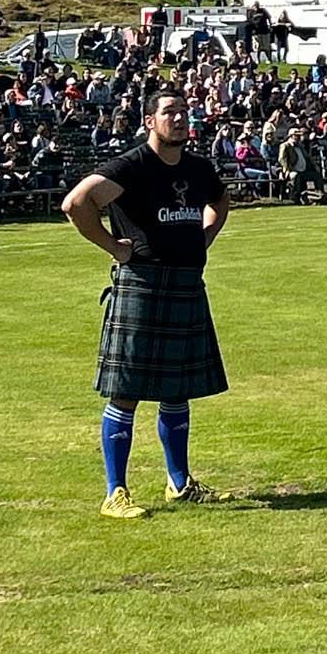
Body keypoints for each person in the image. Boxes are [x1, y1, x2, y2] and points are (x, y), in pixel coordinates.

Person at [60, 83, 231, 518]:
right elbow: (76, 203)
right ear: (150, 121)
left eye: (184, 111)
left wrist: (205, 238)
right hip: (142, 283)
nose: (180, 118)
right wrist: (112, 246)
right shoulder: (132, 166)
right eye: (170, 111)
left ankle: (180, 483)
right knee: (126, 392)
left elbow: (219, 200)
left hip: (186, 283)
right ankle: (114, 493)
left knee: (177, 391)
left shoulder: (197, 168)